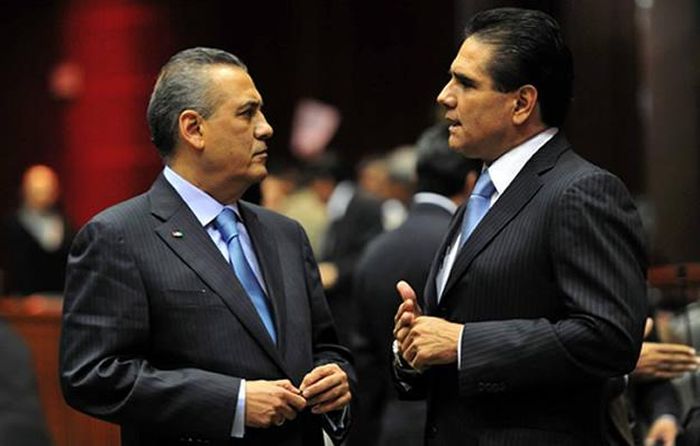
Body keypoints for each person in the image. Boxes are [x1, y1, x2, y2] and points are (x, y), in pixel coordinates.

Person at [59, 47, 354, 446]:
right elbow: (92, 375)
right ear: (193, 129)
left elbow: (326, 347)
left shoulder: (286, 234)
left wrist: (336, 377)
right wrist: (232, 402)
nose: (266, 128)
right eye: (247, 113)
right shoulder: (119, 236)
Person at [392, 8, 648, 445]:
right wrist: (413, 347)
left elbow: (610, 337)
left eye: (465, 83)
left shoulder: (582, 191)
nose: (444, 96)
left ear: (522, 103)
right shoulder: (481, 196)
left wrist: (463, 343)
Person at [349, 123, 479, 446]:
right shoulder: (472, 246)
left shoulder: (374, 249)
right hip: (457, 427)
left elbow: (364, 361)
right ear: (471, 181)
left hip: (389, 426)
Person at [2, 164, 73, 295]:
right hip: (21, 302)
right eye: (37, 190)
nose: (42, 195)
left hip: (59, 299)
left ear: (56, 191)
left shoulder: (68, 227)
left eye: (47, 189)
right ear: (24, 191)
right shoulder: (11, 227)